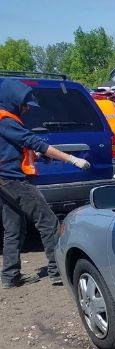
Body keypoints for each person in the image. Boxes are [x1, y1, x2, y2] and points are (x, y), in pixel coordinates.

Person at [0, 79, 90, 289]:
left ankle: (9, 276)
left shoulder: (6, 120)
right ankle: (56, 271)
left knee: (13, 228)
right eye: (24, 104)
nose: (26, 109)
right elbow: (33, 141)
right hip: (14, 180)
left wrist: (38, 155)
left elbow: (14, 149)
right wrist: (71, 159)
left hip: (5, 180)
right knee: (48, 222)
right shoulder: (5, 120)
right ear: (12, 100)